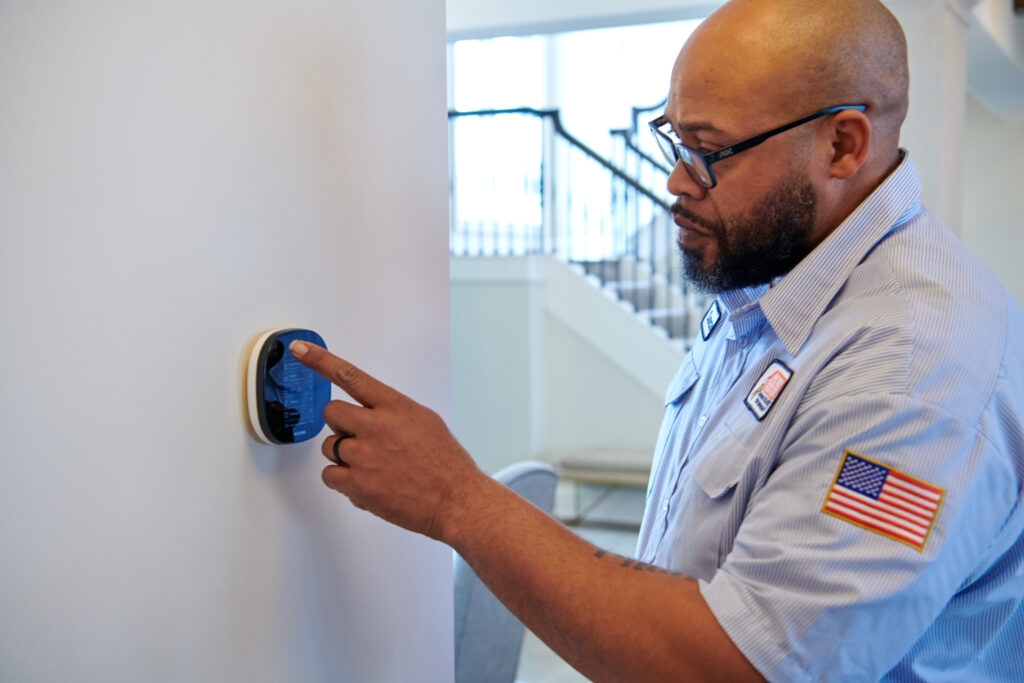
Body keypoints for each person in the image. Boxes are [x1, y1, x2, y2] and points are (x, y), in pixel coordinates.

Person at [291, 0, 1024, 679]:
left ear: (841, 144)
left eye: (709, 150)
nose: (675, 179)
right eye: (673, 136)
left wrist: (459, 500)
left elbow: (740, 664)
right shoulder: (773, 281)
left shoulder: (914, 365)